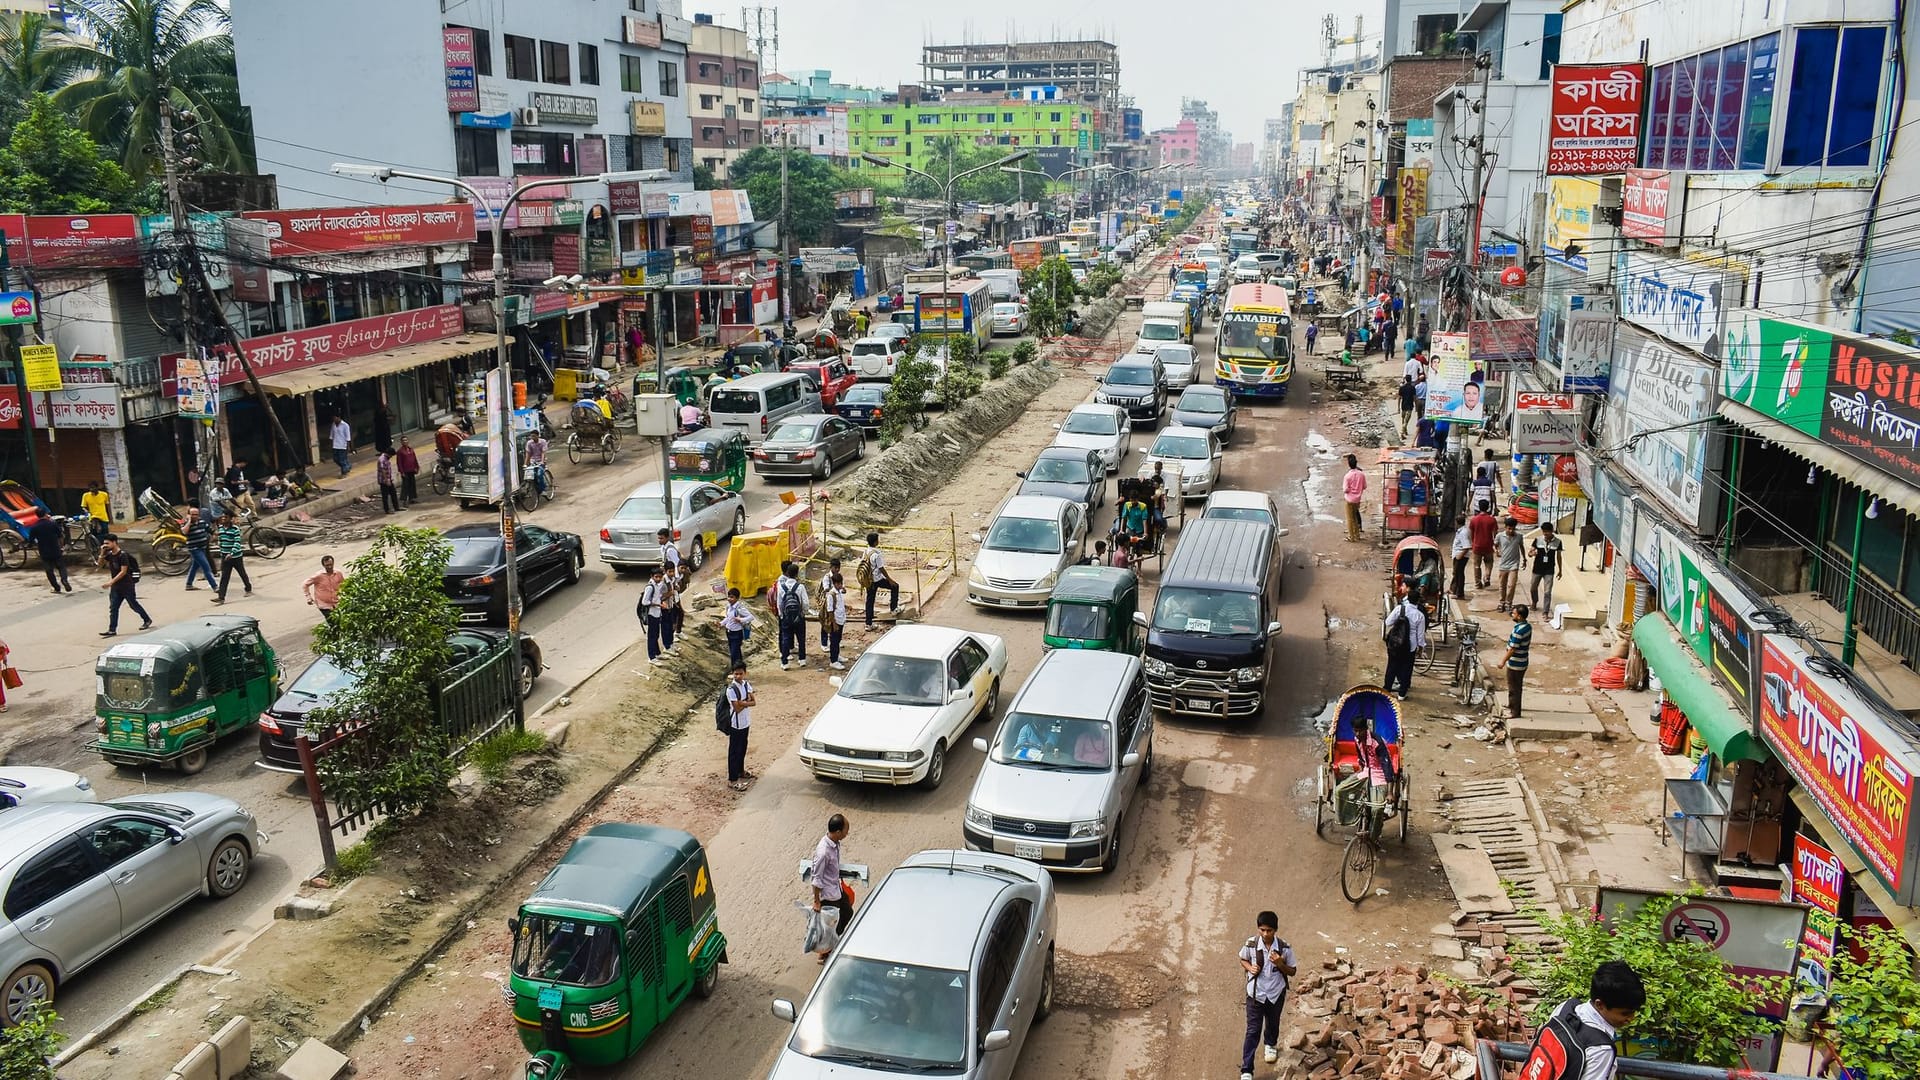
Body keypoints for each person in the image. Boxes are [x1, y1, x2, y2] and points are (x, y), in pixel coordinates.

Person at [1519, 961, 1644, 1080]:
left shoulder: (1566, 1008)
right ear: (1600, 1004)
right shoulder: (1601, 1048)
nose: (1631, 1018)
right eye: (1625, 1013)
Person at [1237, 911, 1298, 1080]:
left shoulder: (1284, 948)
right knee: (1252, 1031)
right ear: (1258, 929)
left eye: (1269, 930)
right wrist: (1249, 968)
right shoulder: (1250, 945)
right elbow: (1242, 959)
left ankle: (1270, 1044)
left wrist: (1280, 964)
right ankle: (1247, 1069)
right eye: (1262, 930)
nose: (1265, 934)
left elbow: (1292, 971)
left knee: (1273, 1023)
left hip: (1275, 994)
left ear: (1275, 930)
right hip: (1255, 995)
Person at [808, 813, 853, 961]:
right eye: (846, 830)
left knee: (847, 913)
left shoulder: (835, 844)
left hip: (836, 890)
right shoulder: (823, 852)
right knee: (830, 925)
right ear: (838, 832)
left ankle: (831, 944)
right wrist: (816, 901)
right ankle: (825, 951)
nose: (847, 833)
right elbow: (816, 878)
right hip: (828, 896)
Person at [98, 536, 151, 637]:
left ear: (114, 542)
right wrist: (102, 553)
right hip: (116, 587)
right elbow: (100, 565)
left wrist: (110, 582)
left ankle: (147, 619)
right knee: (113, 608)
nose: (105, 546)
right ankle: (112, 629)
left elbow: (123, 572)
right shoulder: (109, 555)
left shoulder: (122, 555)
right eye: (104, 543)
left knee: (133, 604)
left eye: (107, 543)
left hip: (126, 585)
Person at [1382, 583, 1426, 699]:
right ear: (1417, 601)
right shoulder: (1420, 616)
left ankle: (1387, 689)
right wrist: (1420, 648)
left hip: (1395, 644)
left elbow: (1387, 622)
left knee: (1392, 666)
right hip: (1409, 646)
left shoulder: (1399, 609)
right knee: (1407, 669)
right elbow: (1420, 635)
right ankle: (1402, 694)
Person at [771, 561, 810, 669]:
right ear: (797, 574)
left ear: (787, 573)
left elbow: (779, 603)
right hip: (798, 616)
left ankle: (785, 662)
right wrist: (803, 612)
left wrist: (782, 615)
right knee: (801, 638)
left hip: (786, 617)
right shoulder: (800, 587)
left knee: (786, 638)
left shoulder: (781, 587)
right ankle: (802, 659)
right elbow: (805, 602)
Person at [723, 663, 755, 790]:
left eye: (740, 673)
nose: (738, 676)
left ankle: (740, 771)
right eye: (736, 673)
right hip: (735, 725)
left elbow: (754, 702)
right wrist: (745, 702)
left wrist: (743, 703)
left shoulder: (746, 684)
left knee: (743, 748)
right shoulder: (731, 689)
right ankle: (732, 779)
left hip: (745, 722)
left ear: (745, 673)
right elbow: (736, 708)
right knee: (734, 751)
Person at [1500, 604, 1533, 719]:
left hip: (1515, 663)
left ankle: (1515, 712)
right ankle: (1512, 705)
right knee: (1515, 686)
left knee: (1514, 687)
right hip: (1523, 660)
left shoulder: (1519, 631)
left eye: (1514, 613)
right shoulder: (1527, 626)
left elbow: (1512, 648)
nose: (1512, 615)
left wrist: (1503, 661)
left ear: (1519, 616)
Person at [860, 533, 899, 629]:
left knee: (870, 600)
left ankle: (868, 624)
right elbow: (881, 568)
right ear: (875, 542)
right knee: (895, 586)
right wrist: (890, 580)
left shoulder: (866, 551)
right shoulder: (877, 554)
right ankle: (893, 609)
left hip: (868, 580)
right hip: (877, 579)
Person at [213, 512, 252, 603]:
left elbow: (237, 542)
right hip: (225, 556)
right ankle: (221, 597)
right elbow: (221, 540)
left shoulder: (235, 529)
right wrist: (221, 548)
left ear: (230, 519)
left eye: (225, 517)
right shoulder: (221, 528)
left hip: (236, 557)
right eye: (222, 517)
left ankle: (248, 588)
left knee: (242, 573)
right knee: (224, 577)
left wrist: (231, 553)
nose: (223, 519)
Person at [28, 514, 70, 594]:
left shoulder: (35, 527)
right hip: (55, 549)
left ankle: (56, 587)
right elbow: (60, 536)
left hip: (44, 552)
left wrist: (30, 545)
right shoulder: (52, 524)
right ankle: (64, 580)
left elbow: (31, 541)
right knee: (61, 567)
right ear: (45, 515)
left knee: (49, 571)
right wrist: (61, 546)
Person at [1530, 522, 1565, 614]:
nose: (1545, 534)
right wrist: (1531, 554)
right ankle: (1534, 602)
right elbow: (1530, 552)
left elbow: (1559, 557)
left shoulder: (1558, 542)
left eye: (1547, 532)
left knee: (1547, 592)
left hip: (1549, 570)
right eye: (1544, 531)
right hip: (1537, 568)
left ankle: (1545, 611)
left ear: (1552, 531)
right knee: (1533, 588)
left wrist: (1560, 570)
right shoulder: (1537, 540)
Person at [640, 566, 674, 662]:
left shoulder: (658, 585)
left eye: (660, 577)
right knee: (652, 636)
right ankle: (651, 657)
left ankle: (657, 653)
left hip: (657, 612)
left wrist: (661, 603)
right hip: (652, 613)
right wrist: (657, 604)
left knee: (656, 634)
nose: (658, 579)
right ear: (652, 576)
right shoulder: (650, 587)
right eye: (656, 577)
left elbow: (658, 596)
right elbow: (645, 602)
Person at [180, 506, 216, 591]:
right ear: (188, 515)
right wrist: (189, 521)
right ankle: (215, 586)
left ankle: (189, 584)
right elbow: (184, 531)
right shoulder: (185, 523)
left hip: (203, 547)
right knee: (206, 567)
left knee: (195, 566)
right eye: (192, 515)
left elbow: (210, 530)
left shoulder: (201, 521)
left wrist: (215, 535)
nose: (194, 516)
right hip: (194, 548)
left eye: (196, 515)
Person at [720, 586, 756, 668]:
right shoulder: (728, 607)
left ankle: (735, 671)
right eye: (729, 597)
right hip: (729, 632)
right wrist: (721, 623)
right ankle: (740, 669)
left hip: (737, 633)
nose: (729, 599)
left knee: (734, 653)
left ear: (737, 598)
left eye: (732, 597)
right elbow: (728, 618)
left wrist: (741, 620)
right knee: (736, 652)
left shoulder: (739, 608)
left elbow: (751, 617)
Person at [1494, 516, 1524, 612]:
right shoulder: (1499, 536)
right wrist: (1496, 551)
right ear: (1505, 527)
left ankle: (1508, 603)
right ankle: (1501, 602)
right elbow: (1495, 545)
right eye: (1509, 528)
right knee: (1502, 585)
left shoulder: (1519, 536)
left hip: (1514, 564)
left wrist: (1524, 559)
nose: (1511, 531)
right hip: (1503, 564)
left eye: (1513, 528)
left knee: (1511, 585)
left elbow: (1521, 547)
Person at [304, 555, 345, 623]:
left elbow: (344, 584)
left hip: (336, 602)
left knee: (340, 621)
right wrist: (308, 597)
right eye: (327, 565)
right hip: (323, 604)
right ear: (323, 565)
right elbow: (305, 584)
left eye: (331, 564)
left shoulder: (338, 573)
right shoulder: (318, 576)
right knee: (332, 621)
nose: (329, 567)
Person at [822, 572, 849, 670]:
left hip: (841, 619)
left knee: (838, 640)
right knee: (834, 641)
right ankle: (833, 661)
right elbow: (830, 610)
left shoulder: (840, 592)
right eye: (838, 584)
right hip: (836, 621)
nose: (840, 585)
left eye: (841, 583)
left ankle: (837, 656)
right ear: (834, 583)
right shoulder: (831, 595)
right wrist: (834, 623)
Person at [1469, 502, 1499, 590]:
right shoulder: (1492, 519)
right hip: (1488, 545)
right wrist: (1495, 544)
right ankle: (1487, 577)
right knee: (1489, 562)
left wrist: (1472, 543)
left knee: (1476, 565)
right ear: (1488, 508)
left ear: (1479, 507)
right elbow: (1495, 533)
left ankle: (1478, 583)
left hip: (1477, 546)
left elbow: (1471, 534)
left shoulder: (1474, 520)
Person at [1342, 453, 1367, 542]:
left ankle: (1351, 537)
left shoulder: (1347, 476)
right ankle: (1357, 535)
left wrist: (1350, 490)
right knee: (1355, 517)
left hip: (1349, 499)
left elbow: (1345, 489)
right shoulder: (1361, 474)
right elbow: (1364, 486)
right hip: (1358, 499)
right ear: (1356, 463)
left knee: (1350, 518)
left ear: (1349, 464)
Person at [1450, 514, 1471, 600]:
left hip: (1461, 556)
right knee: (1456, 573)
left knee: (1459, 574)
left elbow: (1467, 546)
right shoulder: (1461, 531)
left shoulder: (1463, 533)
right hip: (1457, 554)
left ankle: (1459, 594)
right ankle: (1453, 589)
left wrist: (1460, 555)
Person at [396, 436, 420, 505]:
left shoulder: (411, 449)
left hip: (412, 469)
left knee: (412, 484)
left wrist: (417, 467)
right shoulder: (400, 451)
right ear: (401, 442)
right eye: (403, 440)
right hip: (405, 470)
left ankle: (412, 498)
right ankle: (404, 500)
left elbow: (414, 459)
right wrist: (401, 471)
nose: (405, 442)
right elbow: (399, 462)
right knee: (405, 485)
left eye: (406, 440)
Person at [375, 449, 400, 514]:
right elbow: (383, 470)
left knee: (393, 493)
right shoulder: (382, 459)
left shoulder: (386, 458)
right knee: (385, 496)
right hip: (383, 480)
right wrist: (386, 480)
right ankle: (387, 510)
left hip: (389, 479)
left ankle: (396, 507)